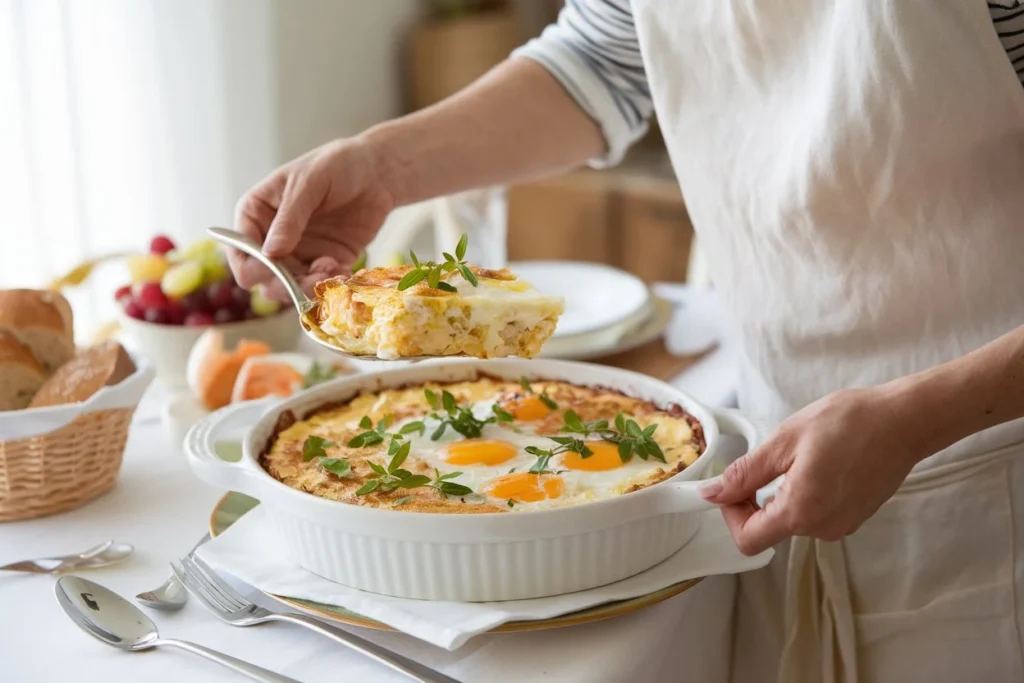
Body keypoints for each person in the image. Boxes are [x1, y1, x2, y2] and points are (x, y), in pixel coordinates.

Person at [226, 1, 1024, 681]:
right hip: (782, 457)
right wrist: (383, 166)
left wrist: (919, 416)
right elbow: (600, 62)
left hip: (991, 465)